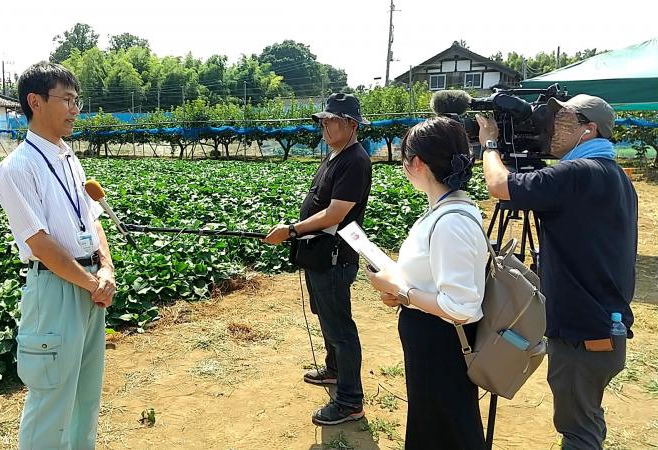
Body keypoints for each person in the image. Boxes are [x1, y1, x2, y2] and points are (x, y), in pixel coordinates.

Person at [478, 94, 637, 449]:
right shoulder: (612, 175)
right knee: (586, 418)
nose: (552, 128)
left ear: (588, 129)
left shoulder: (578, 173)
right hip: (602, 326)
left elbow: (499, 186)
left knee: (577, 431)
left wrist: (490, 145)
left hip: (583, 335)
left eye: (563, 119)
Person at [0, 62, 117, 450]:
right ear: (35, 101)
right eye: (66, 100)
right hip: (56, 289)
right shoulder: (17, 168)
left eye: (77, 101)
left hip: (91, 285)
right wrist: (91, 282)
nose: (75, 109)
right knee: (52, 399)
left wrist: (107, 268)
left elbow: (92, 221)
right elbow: (41, 245)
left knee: (85, 394)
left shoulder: (70, 158)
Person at [366, 116, 487, 449]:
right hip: (431, 340)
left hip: (443, 344)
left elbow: (460, 308)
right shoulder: (445, 209)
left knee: (448, 426)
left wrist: (403, 290)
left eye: (405, 161)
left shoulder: (451, 223)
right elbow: (436, 280)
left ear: (417, 163)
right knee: (433, 422)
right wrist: (402, 294)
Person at [263, 93, 372, 425]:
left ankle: (351, 400)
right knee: (327, 317)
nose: (324, 125)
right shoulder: (335, 155)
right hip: (319, 254)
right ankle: (334, 370)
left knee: (340, 328)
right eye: (322, 120)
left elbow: (336, 213)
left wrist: (293, 230)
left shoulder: (355, 160)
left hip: (336, 256)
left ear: (351, 124)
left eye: (331, 120)